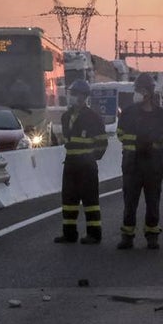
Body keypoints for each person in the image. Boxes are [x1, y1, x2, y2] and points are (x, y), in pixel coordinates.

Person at [116, 74, 163, 249]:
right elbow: (120, 134)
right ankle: (127, 236)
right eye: (136, 90)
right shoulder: (128, 113)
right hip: (132, 166)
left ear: (148, 93)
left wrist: (153, 144)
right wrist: (137, 140)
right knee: (130, 203)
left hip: (153, 166)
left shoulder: (161, 115)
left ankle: (152, 235)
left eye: (139, 90)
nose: (136, 94)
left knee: (153, 203)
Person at [55, 80, 109, 244]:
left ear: (83, 96)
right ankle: (69, 234)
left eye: (75, 94)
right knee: (69, 199)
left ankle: (94, 234)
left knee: (90, 200)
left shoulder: (92, 117)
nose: (72, 97)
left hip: (87, 167)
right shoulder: (66, 117)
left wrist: (92, 157)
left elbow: (102, 142)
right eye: (71, 93)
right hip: (70, 164)